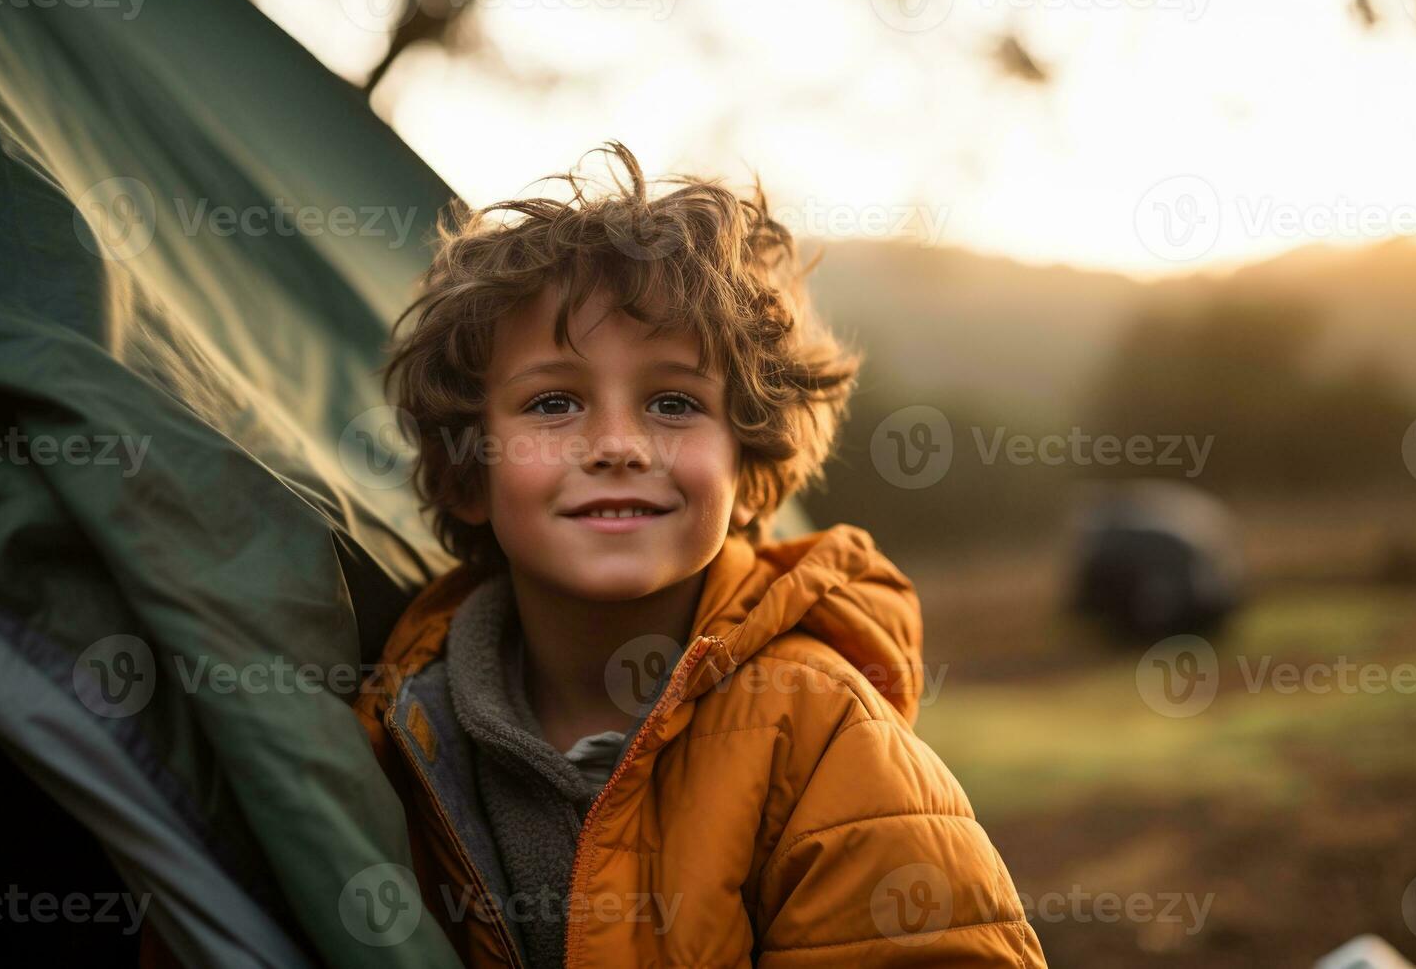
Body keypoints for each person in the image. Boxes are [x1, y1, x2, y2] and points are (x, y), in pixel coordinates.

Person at [353, 141, 1045, 967]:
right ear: (470, 472)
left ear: (751, 472)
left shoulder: (820, 733)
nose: (616, 444)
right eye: (553, 402)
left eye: (673, 402)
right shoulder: (397, 724)